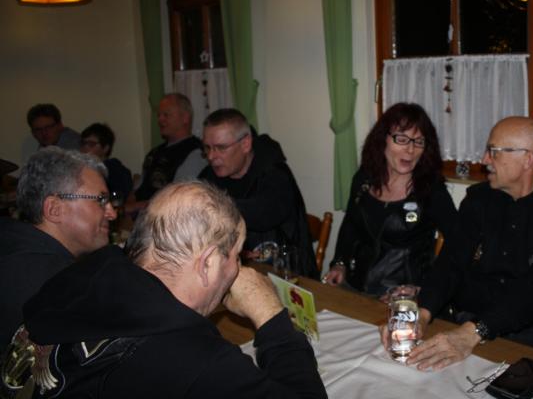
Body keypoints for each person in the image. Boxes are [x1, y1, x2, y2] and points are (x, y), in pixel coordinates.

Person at [18, 181, 327, 398]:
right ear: (207, 263)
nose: (238, 267)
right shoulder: (199, 361)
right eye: (236, 255)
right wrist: (270, 315)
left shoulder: (80, 276)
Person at [391, 116, 533, 371]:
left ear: (528, 159)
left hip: (526, 339)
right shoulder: (478, 199)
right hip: (460, 322)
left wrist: (475, 332)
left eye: (494, 151)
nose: (485, 160)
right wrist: (422, 313)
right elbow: (450, 262)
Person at [324, 103, 458, 296]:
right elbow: (351, 224)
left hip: (401, 296)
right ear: (382, 140)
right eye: (401, 139)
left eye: (419, 142)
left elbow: (459, 243)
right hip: (354, 287)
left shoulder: (431, 190)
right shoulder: (364, 178)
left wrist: (425, 288)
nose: (410, 149)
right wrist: (339, 263)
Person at [0, 147, 115, 350]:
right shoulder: (55, 283)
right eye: (101, 200)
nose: (112, 213)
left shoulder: (12, 244)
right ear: (54, 209)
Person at [199, 108, 319, 279]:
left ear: (245, 144)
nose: (211, 156)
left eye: (221, 148)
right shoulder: (208, 176)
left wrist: (208, 205)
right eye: (207, 148)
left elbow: (264, 214)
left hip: (288, 277)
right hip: (234, 273)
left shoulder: (275, 174)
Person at [127, 93, 205, 211]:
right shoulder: (154, 152)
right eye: (158, 115)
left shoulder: (196, 152)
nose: (160, 120)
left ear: (185, 118)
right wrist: (125, 208)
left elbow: (178, 199)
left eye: (166, 115)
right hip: (138, 214)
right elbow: (137, 189)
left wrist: (134, 207)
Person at [80, 123, 133, 202]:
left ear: (105, 148)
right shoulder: (81, 168)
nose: (85, 148)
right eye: (83, 143)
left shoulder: (115, 170)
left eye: (91, 144)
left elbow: (117, 200)